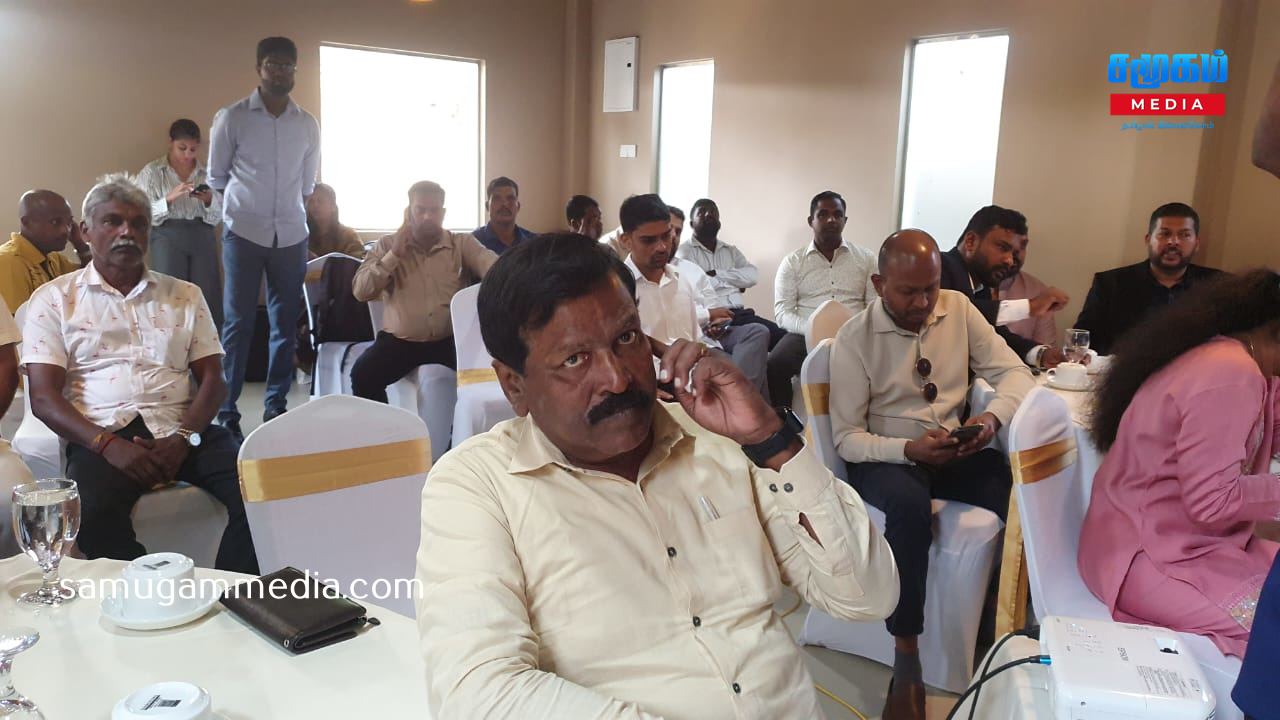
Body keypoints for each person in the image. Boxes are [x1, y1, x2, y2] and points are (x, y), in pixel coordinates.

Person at [415, 233, 898, 718]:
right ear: (514, 386)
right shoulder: (477, 486)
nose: (617, 378)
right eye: (575, 359)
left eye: (626, 338)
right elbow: (479, 694)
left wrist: (772, 440)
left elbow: (869, 596)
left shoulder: (720, 439)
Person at [830, 229, 1035, 720]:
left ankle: (997, 608)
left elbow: (1015, 374)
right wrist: (908, 450)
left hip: (950, 448)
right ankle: (907, 656)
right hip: (886, 456)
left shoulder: (958, 309)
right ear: (879, 284)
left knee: (1014, 485)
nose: (924, 302)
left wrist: (991, 420)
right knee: (908, 508)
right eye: (909, 292)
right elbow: (846, 438)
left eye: (931, 288)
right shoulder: (855, 338)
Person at [23, 175, 257, 573]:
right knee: (92, 515)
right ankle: (152, 592)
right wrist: (107, 446)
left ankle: (225, 592)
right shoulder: (55, 300)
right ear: (86, 230)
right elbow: (44, 398)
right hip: (101, 433)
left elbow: (214, 380)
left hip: (185, 428)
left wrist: (183, 438)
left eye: (138, 223)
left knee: (260, 491)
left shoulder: (185, 295)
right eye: (112, 221)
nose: (126, 232)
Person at [1079, 270, 1280, 659]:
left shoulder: (1228, 355)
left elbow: (1266, 426)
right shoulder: (1232, 372)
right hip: (1149, 558)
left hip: (1160, 541)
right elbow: (1212, 501)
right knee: (1274, 622)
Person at [208, 36, 321, 440]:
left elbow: (307, 185)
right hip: (243, 232)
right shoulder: (233, 118)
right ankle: (227, 410)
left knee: (284, 325)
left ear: (295, 71)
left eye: (288, 65)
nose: (281, 72)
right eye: (273, 64)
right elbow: (216, 177)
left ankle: (276, 405)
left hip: (290, 234)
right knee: (237, 324)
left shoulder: (307, 124)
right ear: (259, 68)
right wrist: (243, 210)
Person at [351, 181, 496, 403]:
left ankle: (463, 425)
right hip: (400, 342)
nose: (428, 217)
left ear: (443, 213)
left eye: (434, 210)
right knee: (363, 375)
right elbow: (360, 291)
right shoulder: (387, 245)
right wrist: (393, 256)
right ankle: (384, 426)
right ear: (409, 211)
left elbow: (497, 270)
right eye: (420, 210)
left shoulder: (461, 244)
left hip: (449, 340)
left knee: (489, 375)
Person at [620, 194, 771, 400]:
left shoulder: (681, 279)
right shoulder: (617, 288)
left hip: (694, 375)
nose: (662, 247)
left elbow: (696, 339)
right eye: (649, 240)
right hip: (653, 385)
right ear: (626, 241)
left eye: (666, 236)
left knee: (745, 375)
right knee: (741, 389)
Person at [769, 191, 877, 406]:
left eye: (837, 215)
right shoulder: (793, 262)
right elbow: (783, 313)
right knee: (776, 364)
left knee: (885, 358)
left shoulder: (866, 259)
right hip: (804, 336)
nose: (831, 220)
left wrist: (854, 330)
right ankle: (785, 422)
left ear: (845, 220)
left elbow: (874, 306)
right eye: (823, 214)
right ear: (811, 220)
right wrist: (813, 330)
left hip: (853, 334)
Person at [1073, 202, 1223, 355]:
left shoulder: (1217, 285)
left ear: (1196, 243)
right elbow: (1081, 341)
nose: (1173, 242)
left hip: (1196, 368)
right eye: (1164, 234)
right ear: (1148, 239)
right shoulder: (1110, 284)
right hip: (1124, 368)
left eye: (1184, 235)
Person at [940, 206, 1070, 367]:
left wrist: (1040, 354)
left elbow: (996, 336)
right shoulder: (941, 266)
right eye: (1002, 247)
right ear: (970, 242)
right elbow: (956, 313)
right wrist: (1030, 307)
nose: (1010, 260)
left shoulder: (980, 286)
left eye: (1014, 253)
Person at [136, 118, 223, 329]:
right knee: (169, 294)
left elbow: (219, 216)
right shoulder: (153, 172)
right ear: (170, 142)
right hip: (166, 235)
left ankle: (208, 344)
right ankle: (169, 342)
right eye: (182, 148)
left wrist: (209, 200)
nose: (187, 155)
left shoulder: (207, 173)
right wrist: (169, 199)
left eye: (192, 149)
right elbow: (141, 213)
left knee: (206, 293)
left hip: (202, 233)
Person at [0, 190, 91, 312]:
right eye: (55, 222)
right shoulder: (7, 261)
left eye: (69, 223)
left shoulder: (53, 258)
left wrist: (81, 245)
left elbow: (91, 281)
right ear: (26, 222)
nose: (65, 230)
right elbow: (15, 321)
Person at [997, 230, 1058, 347]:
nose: (1012, 256)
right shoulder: (967, 286)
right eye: (1004, 247)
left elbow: (1044, 349)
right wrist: (1030, 307)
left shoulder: (1038, 291)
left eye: (1021, 246)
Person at [472, 177, 535, 256]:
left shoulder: (533, 243)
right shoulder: (473, 242)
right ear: (487, 206)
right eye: (497, 199)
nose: (504, 204)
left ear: (518, 206)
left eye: (510, 198)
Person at [305, 183, 365, 259]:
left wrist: (318, 260)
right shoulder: (303, 235)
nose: (315, 205)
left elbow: (355, 263)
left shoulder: (349, 236)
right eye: (311, 201)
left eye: (320, 201)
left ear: (333, 206)